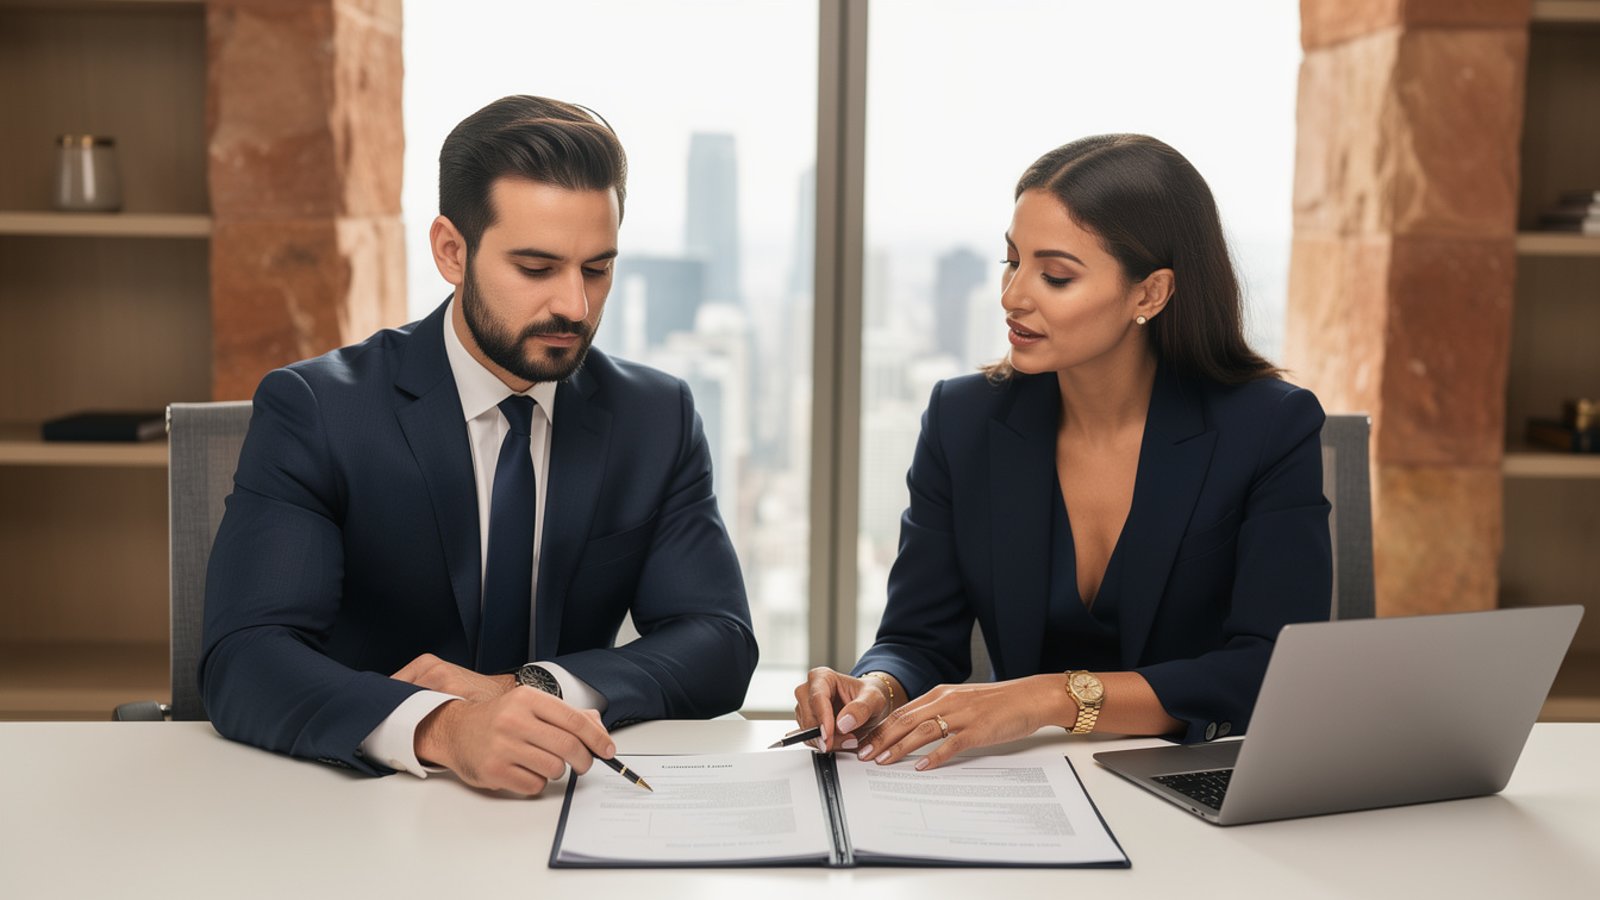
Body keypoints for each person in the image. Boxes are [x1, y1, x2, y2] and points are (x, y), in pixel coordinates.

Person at [201, 95, 758, 796]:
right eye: (536, 268)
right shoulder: (321, 411)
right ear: (451, 251)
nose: (575, 307)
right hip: (367, 811)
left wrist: (532, 688)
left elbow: (719, 641)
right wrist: (442, 726)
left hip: (569, 799)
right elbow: (245, 657)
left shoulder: (656, 415)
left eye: (596, 269)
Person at [795, 134, 1331, 771]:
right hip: (1033, 783)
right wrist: (877, 689)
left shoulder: (1270, 426)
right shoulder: (963, 420)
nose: (1014, 295)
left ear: (1150, 294)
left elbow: (1268, 667)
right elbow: (917, 639)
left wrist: (1052, 696)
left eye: (1054, 275)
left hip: (1204, 776)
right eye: (1011, 261)